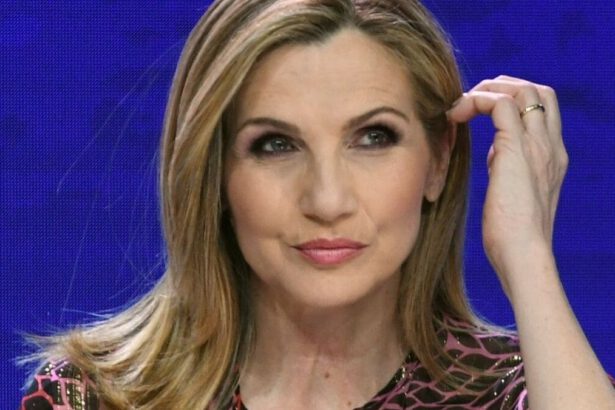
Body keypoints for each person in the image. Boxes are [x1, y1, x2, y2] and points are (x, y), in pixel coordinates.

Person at [20, 0, 615, 409]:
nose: (327, 201)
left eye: (373, 137)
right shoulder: (94, 397)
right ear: (216, 171)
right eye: (275, 145)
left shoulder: (519, 393)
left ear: (437, 161)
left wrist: (526, 253)